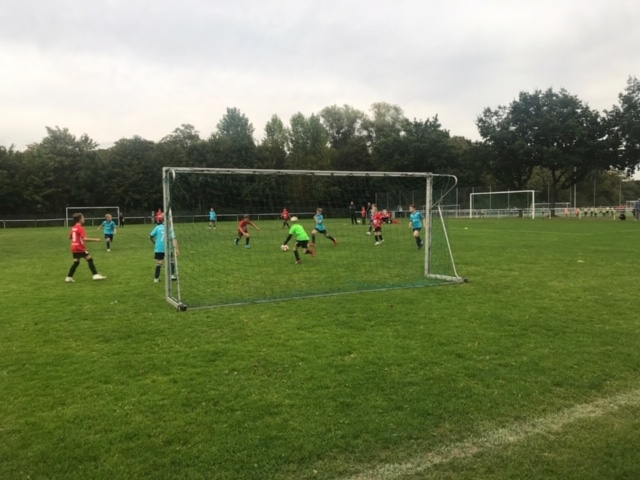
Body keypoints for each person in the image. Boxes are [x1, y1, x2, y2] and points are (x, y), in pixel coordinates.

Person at [65, 212, 106, 282]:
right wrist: (96, 240)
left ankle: (69, 277)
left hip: (74, 247)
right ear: (80, 219)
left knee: (76, 262)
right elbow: (84, 239)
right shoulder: (80, 228)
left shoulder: (74, 228)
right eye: (83, 218)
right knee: (90, 260)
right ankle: (95, 275)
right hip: (80, 247)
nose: (84, 219)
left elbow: (69, 237)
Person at [149, 214, 179, 283]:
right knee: (171, 260)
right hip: (167, 247)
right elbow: (174, 238)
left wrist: (154, 243)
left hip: (159, 247)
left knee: (159, 262)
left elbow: (150, 236)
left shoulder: (157, 227)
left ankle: (156, 279)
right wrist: (176, 249)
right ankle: (171, 275)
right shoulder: (169, 228)